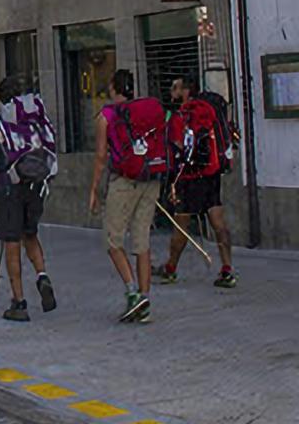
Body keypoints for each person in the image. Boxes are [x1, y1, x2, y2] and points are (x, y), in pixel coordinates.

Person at [0, 76, 58, 322]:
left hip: (9, 188)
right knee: (31, 234)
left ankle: (19, 303)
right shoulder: (35, 120)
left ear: (0, 99)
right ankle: (42, 275)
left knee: (12, 244)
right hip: (35, 185)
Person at [89, 69, 170, 323]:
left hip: (124, 182)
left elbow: (101, 157)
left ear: (113, 88)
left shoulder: (107, 116)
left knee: (113, 240)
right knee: (141, 240)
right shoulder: (146, 109)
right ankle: (145, 298)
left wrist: (94, 189)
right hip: (150, 178)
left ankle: (133, 293)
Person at [159, 77, 238, 287]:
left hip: (189, 177)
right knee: (218, 222)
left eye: (175, 88)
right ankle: (227, 269)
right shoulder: (209, 110)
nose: (171, 91)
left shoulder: (180, 116)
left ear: (185, 91)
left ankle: (171, 268)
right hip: (211, 174)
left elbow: (176, 147)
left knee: (181, 226)